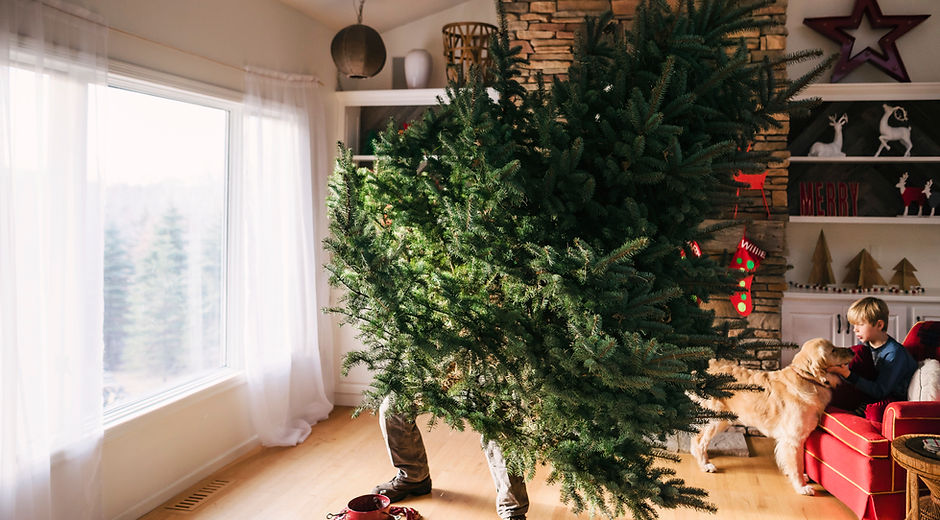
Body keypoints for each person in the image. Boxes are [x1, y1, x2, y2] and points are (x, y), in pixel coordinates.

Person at [372, 395, 529, 520]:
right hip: (438, 374)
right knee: (392, 406)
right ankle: (414, 478)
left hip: (485, 379)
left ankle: (513, 509)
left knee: (500, 423)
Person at [827, 297, 917, 421]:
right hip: (870, 391)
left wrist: (847, 374)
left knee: (875, 411)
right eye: (854, 325)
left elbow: (880, 391)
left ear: (879, 325)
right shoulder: (868, 347)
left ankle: (862, 407)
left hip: (891, 396)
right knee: (832, 394)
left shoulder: (894, 353)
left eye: (860, 324)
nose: (855, 329)